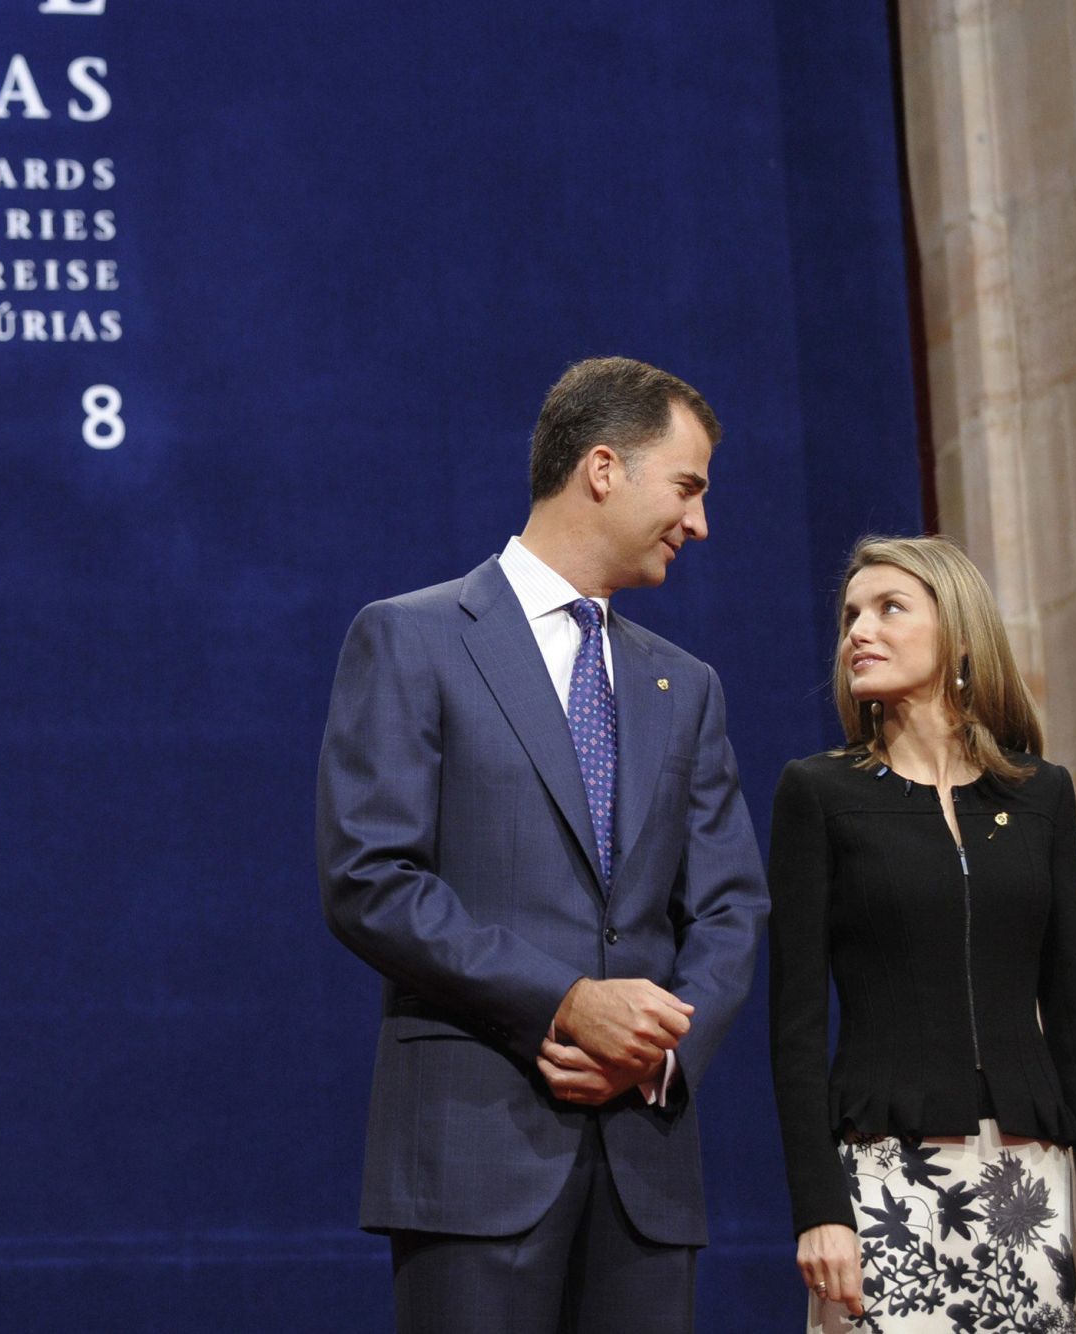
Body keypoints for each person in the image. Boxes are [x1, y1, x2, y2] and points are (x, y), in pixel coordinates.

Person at [316, 356, 769, 1334]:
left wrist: (652, 1053)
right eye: (686, 488)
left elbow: (732, 906)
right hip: (475, 1156)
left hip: (645, 1165)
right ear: (603, 468)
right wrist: (564, 1004)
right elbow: (371, 877)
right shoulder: (412, 639)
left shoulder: (686, 688)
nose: (700, 524)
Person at [769, 535, 1076, 1331]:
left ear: (959, 635)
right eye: (850, 616)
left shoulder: (1042, 795)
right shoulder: (818, 792)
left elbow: (1075, 1012)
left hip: (1030, 1181)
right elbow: (794, 1028)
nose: (857, 633)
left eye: (889, 609)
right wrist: (819, 1209)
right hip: (883, 1180)